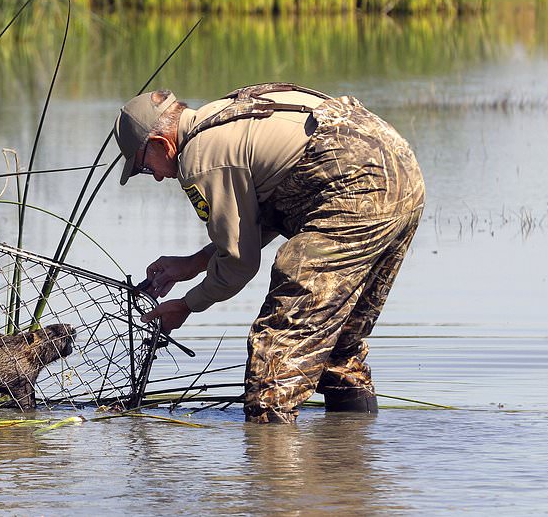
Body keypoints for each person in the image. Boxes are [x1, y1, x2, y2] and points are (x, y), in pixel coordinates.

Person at [114, 82, 424, 423]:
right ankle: (348, 464)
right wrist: (195, 263)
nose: (157, 177)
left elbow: (239, 263)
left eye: (146, 167)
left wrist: (187, 305)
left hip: (355, 191)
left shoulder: (200, 159)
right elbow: (273, 206)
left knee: (275, 354)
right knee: (338, 346)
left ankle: (271, 469)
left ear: (160, 143)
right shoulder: (225, 113)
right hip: (402, 176)